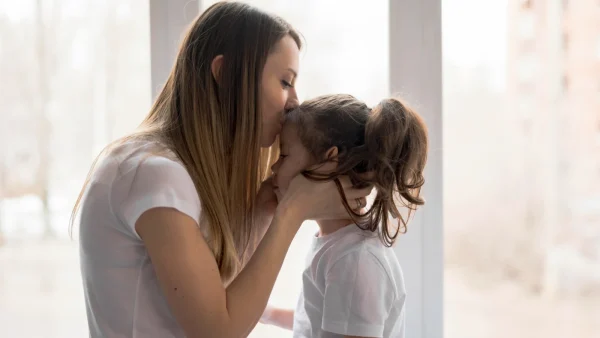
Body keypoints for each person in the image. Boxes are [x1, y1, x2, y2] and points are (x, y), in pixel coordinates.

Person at [71, 3, 372, 338]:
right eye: (285, 82)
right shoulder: (153, 175)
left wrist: (263, 210)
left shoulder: (164, 167)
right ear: (225, 74)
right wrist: (292, 212)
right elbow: (218, 331)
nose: (295, 102)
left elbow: (217, 287)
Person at [259, 94, 429, 338]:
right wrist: (270, 314)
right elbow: (319, 319)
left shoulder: (356, 261)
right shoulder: (336, 244)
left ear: (330, 162)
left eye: (284, 156)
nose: (274, 168)